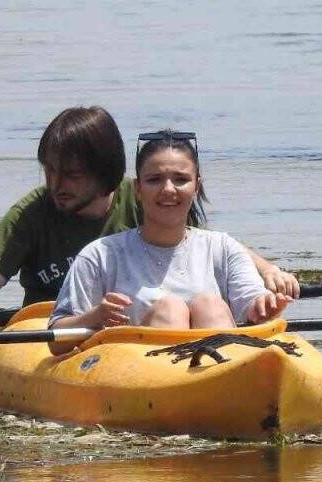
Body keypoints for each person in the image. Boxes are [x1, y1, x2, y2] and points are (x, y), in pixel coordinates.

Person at [0, 106, 299, 337]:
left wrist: (266, 271)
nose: (56, 185)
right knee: (170, 311)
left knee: (203, 305)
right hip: (67, 325)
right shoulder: (34, 213)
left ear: (106, 175)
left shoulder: (149, 196)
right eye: (49, 171)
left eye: (71, 174)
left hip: (154, 322)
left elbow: (204, 244)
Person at [48, 130, 291, 354]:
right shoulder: (99, 255)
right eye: (154, 180)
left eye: (180, 179)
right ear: (137, 189)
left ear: (197, 185)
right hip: (141, 376)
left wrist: (264, 306)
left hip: (222, 370)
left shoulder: (223, 248)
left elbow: (251, 302)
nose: (168, 189)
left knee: (210, 306)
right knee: (170, 311)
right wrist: (96, 316)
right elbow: (55, 341)